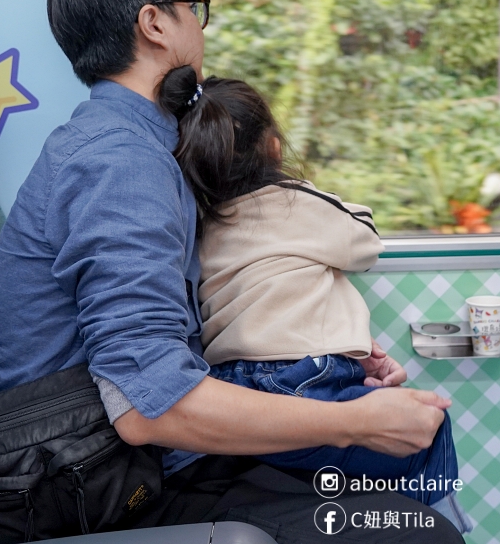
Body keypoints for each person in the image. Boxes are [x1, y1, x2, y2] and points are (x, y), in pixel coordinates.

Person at [0, 0, 464, 542]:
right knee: (415, 533)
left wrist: (329, 354)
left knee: (372, 498)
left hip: (112, 464)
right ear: (154, 23)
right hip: (81, 484)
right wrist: (352, 422)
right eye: (192, 8)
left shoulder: (130, 144)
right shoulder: (121, 163)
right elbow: (147, 406)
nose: (200, 30)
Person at [155, 69, 474, 532]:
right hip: (304, 375)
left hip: (232, 389)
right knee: (427, 424)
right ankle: (438, 518)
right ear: (275, 148)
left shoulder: (199, 224)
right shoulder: (295, 202)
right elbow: (364, 241)